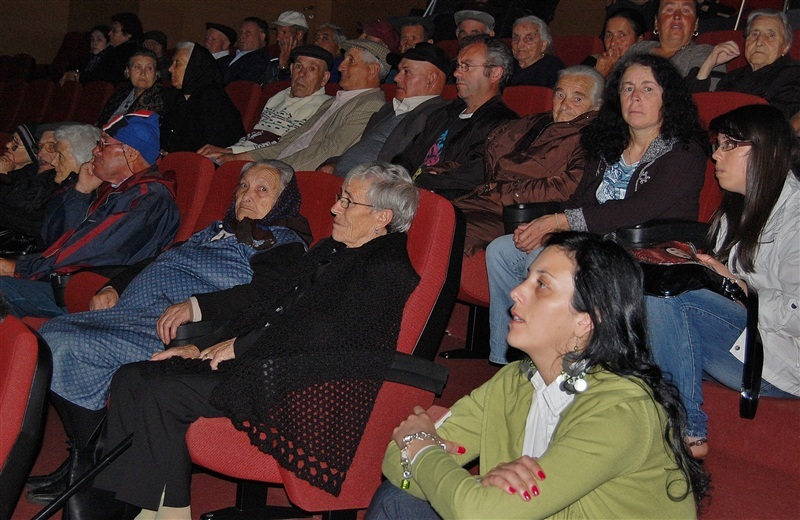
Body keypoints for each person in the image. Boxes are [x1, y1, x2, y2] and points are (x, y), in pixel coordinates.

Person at [89, 163, 421, 519]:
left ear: (381, 217)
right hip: (262, 359)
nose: (334, 208)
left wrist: (240, 347)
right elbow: (265, 307)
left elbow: (322, 334)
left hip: (296, 380)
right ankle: (135, 509)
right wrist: (199, 347)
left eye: (347, 201)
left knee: (163, 392)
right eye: (340, 198)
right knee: (132, 377)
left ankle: (170, 515)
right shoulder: (330, 250)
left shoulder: (387, 268)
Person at [25, 160, 311, 506]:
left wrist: (196, 305)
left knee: (66, 345)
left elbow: (267, 295)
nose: (246, 196)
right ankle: (86, 456)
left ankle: (89, 464)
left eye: (261, 190)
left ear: (283, 201)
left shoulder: (281, 242)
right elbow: (158, 260)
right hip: (132, 314)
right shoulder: (218, 229)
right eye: (242, 187)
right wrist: (115, 286)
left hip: (177, 333)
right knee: (46, 335)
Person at [367, 231, 709, 519]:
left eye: (542, 285)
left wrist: (421, 445)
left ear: (586, 320)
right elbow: (396, 466)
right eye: (526, 278)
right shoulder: (515, 381)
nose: (517, 291)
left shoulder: (620, 411)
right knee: (397, 501)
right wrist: (477, 486)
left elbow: (477, 511)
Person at [486, 54, 707, 364]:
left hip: (642, 249)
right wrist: (549, 229)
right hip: (591, 241)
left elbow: (637, 210)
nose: (635, 97)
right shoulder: (607, 142)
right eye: (627, 88)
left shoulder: (684, 152)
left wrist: (557, 223)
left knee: (544, 265)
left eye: (647, 89)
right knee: (501, 250)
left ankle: (553, 362)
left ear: (668, 98)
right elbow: (579, 199)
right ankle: (504, 358)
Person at [646, 104, 800, 459]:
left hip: (779, 358)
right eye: (717, 144)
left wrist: (739, 289)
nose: (715, 154)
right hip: (740, 338)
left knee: (670, 297)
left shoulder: (794, 217)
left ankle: (688, 431)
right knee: (647, 287)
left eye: (729, 145)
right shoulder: (734, 211)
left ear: (763, 150)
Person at [0, 112, 179, 318]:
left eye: (103, 145)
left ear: (130, 153)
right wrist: (81, 192)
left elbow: (90, 250)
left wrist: (17, 268)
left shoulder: (147, 200)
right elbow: (52, 237)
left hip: (94, 290)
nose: (95, 151)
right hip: (68, 279)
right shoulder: (115, 190)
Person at [455, 65, 604, 254]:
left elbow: (570, 186)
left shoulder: (592, 136)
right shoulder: (538, 122)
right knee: (429, 215)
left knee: (448, 230)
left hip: (520, 214)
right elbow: (494, 158)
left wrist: (507, 192)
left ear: (597, 105)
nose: (565, 104)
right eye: (560, 95)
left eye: (577, 98)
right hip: (488, 199)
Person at [218, 39, 387, 171]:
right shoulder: (332, 101)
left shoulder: (370, 104)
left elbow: (328, 151)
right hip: (279, 165)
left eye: (350, 61)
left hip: (291, 173)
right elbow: (289, 141)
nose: (341, 66)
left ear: (372, 70)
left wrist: (271, 170)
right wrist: (242, 156)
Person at [393, 35, 518, 199]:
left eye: (466, 66)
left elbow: (472, 177)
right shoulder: (443, 114)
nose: (457, 73)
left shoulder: (505, 124)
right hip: (406, 196)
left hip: (444, 204)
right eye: (458, 66)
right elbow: (408, 157)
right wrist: (392, 177)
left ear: (495, 73)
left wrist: (414, 187)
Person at [319, 43, 450, 177]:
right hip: (343, 177)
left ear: (431, 78)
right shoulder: (388, 109)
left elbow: (403, 168)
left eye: (406, 72)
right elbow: (361, 146)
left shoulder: (438, 115)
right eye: (399, 71)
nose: (396, 78)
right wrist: (333, 163)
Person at [198, 46, 332, 159]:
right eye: (298, 66)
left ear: (324, 78)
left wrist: (235, 156)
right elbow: (256, 137)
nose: (302, 74)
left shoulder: (325, 106)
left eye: (312, 69)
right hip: (242, 151)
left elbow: (286, 149)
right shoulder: (277, 96)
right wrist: (228, 150)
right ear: (291, 70)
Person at [687, 9, 800, 132]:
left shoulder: (794, 74)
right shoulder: (733, 77)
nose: (759, 42)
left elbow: (772, 123)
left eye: (771, 35)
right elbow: (693, 112)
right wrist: (708, 64)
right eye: (754, 34)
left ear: (786, 46)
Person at [161, 42, 245, 153]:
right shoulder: (176, 97)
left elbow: (215, 144)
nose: (170, 69)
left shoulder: (213, 98)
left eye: (177, 63)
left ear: (194, 66)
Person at [624, 0, 725, 86]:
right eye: (669, 10)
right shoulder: (638, 49)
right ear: (656, 22)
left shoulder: (707, 55)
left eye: (686, 11)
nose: (677, 16)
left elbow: (704, 100)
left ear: (696, 24)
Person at [0, 124, 62, 253]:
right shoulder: (28, 172)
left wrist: (3, 176)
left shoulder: (56, 181)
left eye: (50, 147)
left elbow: (34, 222)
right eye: (39, 147)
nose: (8, 146)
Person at [67, 12, 143, 85]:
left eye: (114, 31)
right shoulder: (114, 50)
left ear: (128, 34)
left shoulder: (124, 53)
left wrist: (78, 76)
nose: (109, 33)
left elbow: (102, 76)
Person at [96, 49, 165, 126]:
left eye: (149, 68)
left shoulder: (160, 99)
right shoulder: (122, 91)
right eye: (137, 67)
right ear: (127, 72)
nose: (143, 73)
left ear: (156, 74)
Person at [582, 8, 646, 77]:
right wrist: (599, 74)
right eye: (609, 35)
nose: (613, 43)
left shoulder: (645, 70)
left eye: (622, 35)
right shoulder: (592, 63)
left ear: (639, 40)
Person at [507, 16, 564, 88]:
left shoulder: (552, 68)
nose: (519, 45)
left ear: (543, 45)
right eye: (516, 38)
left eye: (529, 39)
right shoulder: (506, 64)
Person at [260, 11, 309, 86]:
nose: (278, 38)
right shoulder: (273, 57)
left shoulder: (309, 61)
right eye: (278, 33)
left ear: (299, 34)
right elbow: (267, 88)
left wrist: (284, 67)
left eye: (284, 32)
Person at [218, 17, 271, 84]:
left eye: (248, 33)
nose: (241, 36)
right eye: (241, 32)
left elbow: (241, 86)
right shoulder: (229, 57)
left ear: (261, 37)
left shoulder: (260, 61)